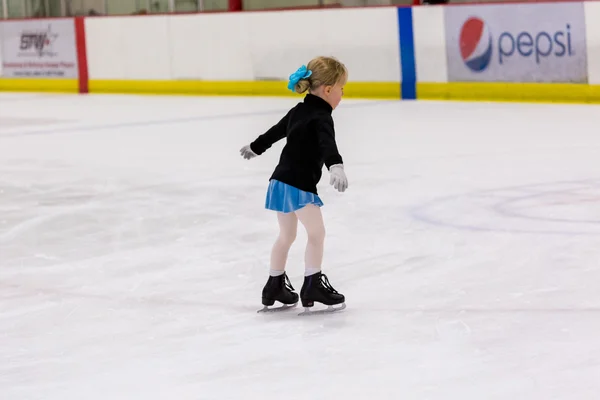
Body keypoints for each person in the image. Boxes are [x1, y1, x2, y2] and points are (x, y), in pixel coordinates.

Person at [240, 56, 348, 315]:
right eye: (342, 89)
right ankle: (312, 284)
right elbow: (327, 143)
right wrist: (336, 166)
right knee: (317, 234)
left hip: (280, 181)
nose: (342, 95)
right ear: (329, 89)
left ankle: (274, 285)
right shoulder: (322, 116)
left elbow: (275, 131)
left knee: (286, 236)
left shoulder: (298, 110)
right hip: (299, 185)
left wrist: (256, 147)